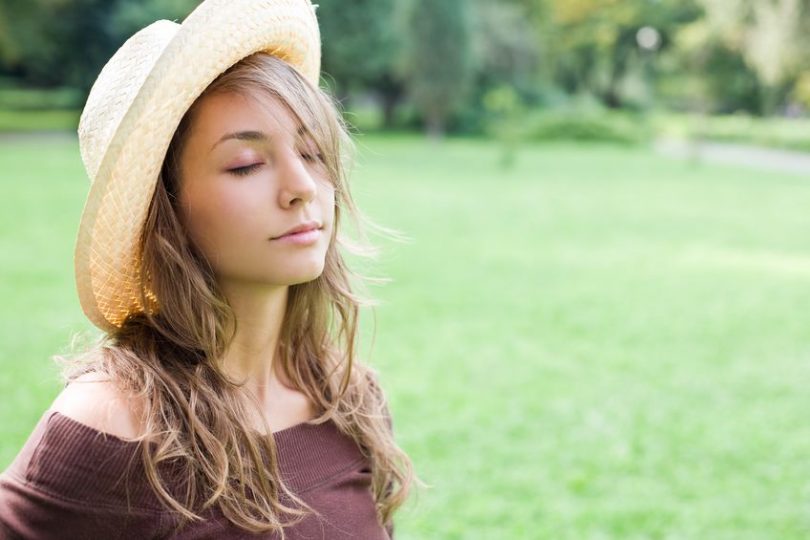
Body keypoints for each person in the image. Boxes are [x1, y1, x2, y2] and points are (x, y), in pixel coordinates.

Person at [0, 0, 421, 537]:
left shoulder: (348, 397)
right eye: (246, 164)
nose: (301, 188)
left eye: (312, 153)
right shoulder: (112, 427)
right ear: (167, 210)